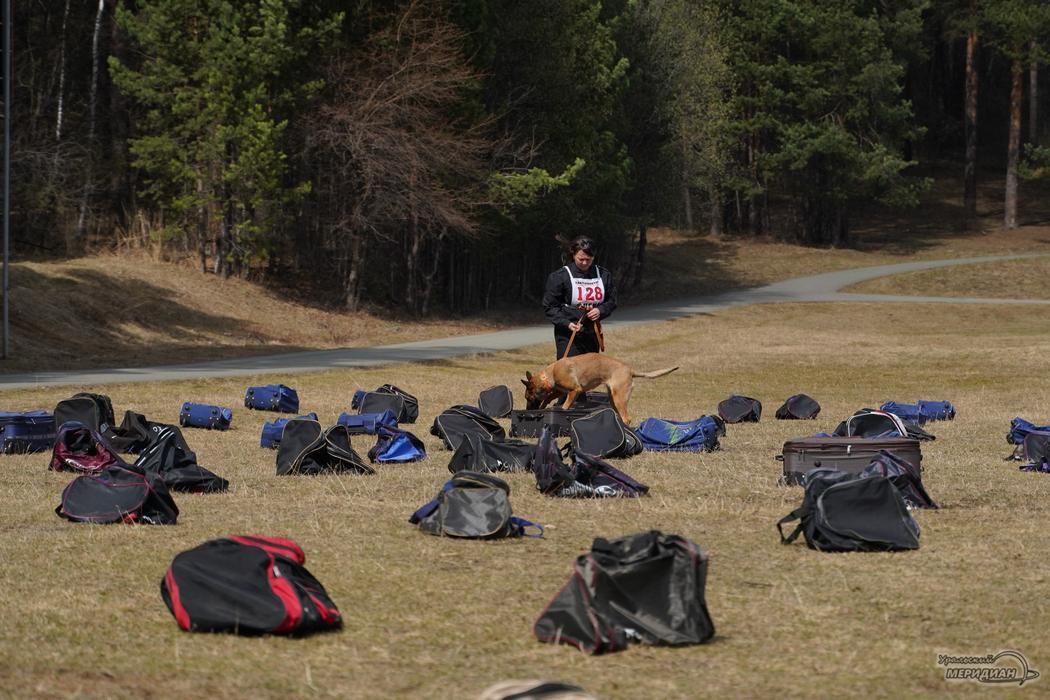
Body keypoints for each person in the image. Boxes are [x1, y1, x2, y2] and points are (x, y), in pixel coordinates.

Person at [543, 236, 617, 359]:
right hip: (568, 334)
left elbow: (612, 300)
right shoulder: (560, 276)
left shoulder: (603, 274)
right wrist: (567, 323)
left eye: (588, 259)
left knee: (590, 372)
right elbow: (550, 306)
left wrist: (600, 311)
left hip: (592, 332)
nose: (584, 263)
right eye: (581, 259)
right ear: (573, 255)